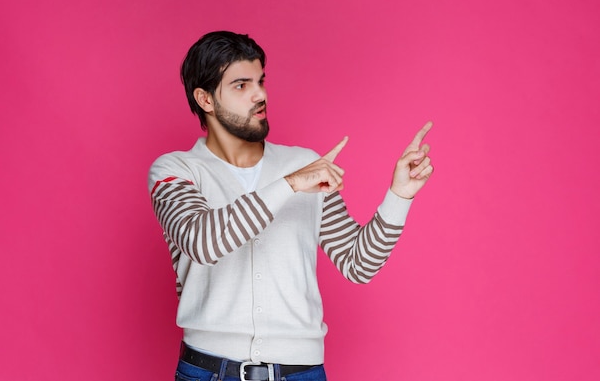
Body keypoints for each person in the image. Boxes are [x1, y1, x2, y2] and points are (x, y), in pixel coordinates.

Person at [148, 31, 434, 381]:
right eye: (241, 85)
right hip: (208, 370)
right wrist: (290, 184)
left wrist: (399, 196)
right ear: (205, 99)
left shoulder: (305, 164)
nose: (260, 95)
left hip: (301, 372)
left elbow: (358, 264)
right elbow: (202, 242)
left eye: (260, 81)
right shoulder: (176, 170)